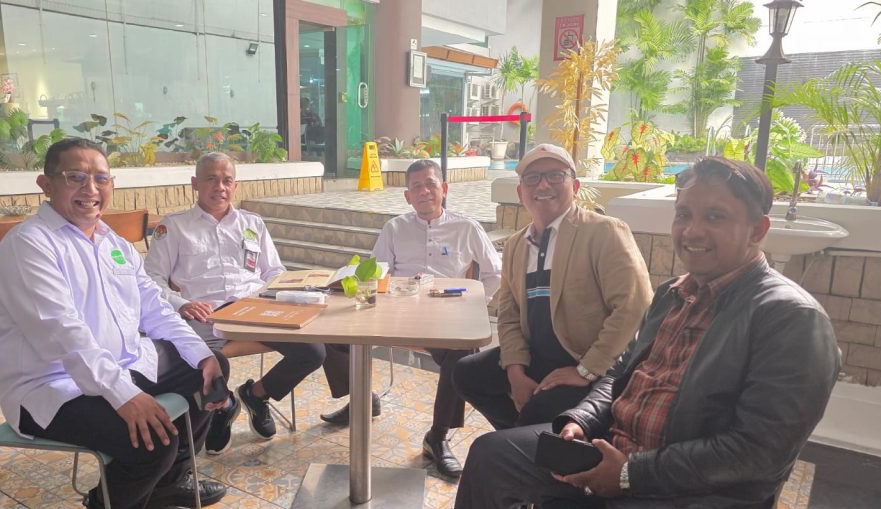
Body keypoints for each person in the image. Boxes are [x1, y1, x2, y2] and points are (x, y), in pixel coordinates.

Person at [413, 157, 840, 509]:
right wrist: (582, 418)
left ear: (758, 230)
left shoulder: (790, 320)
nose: (692, 231)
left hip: (699, 501)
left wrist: (630, 473)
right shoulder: (674, 294)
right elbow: (622, 374)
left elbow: (756, 455)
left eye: (715, 216)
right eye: (684, 215)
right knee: (491, 454)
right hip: (611, 447)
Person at [0, 138, 229, 509]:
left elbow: (154, 306)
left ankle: (168, 483)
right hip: (50, 387)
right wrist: (126, 396)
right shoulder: (29, 245)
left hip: (119, 365)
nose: (91, 189)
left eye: (101, 178)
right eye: (76, 177)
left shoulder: (111, 240)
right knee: (155, 437)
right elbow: (64, 335)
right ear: (46, 184)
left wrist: (201, 355)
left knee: (209, 369)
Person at [320, 159, 502, 478]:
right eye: (416, 186)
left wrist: (475, 302)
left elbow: (494, 273)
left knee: (463, 353)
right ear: (407, 196)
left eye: (430, 184)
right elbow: (376, 272)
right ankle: (362, 398)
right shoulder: (395, 228)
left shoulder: (467, 228)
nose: (424, 191)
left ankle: (438, 436)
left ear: (444, 189)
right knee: (331, 330)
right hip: (396, 312)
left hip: (443, 315)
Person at [454, 143, 652, 431]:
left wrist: (585, 370)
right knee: (466, 375)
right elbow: (509, 314)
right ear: (521, 192)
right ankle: (519, 436)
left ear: (575, 186)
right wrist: (515, 370)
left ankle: (523, 439)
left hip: (589, 362)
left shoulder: (603, 232)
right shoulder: (516, 245)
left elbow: (634, 306)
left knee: (536, 412)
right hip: (537, 358)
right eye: (532, 178)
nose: (543, 185)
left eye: (556, 175)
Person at [145, 152, 327, 454]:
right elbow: (151, 278)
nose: (220, 187)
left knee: (312, 351)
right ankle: (224, 407)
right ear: (195, 183)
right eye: (211, 179)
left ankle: (256, 395)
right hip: (206, 317)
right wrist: (180, 303)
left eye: (227, 180)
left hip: (253, 312)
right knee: (210, 363)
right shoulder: (175, 226)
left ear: (235, 186)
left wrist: (273, 297)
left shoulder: (252, 223)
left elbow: (274, 271)